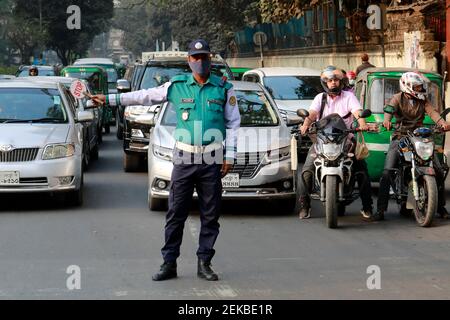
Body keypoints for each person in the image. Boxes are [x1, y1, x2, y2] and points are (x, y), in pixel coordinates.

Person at [90, 39, 240, 281]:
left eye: (204, 57)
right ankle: (169, 263)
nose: (200, 62)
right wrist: (109, 99)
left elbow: (233, 123)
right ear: (188, 61)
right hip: (184, 156)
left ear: (210, 58)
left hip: (212, 157)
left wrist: (230, 155)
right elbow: (144, 96)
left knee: (210, 214)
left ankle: (205, 263)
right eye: (195, 58)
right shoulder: (177, 86)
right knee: (175, 212)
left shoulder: (223, 88)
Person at [298, 66, 374, 220]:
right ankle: (305, 206)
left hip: (345, 140)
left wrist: (363, 123)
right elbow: (312, 113)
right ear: (325, 83)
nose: (333, 83)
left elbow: (357, 112)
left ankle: (367, 206)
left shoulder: (348, 96)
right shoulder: (320, 98)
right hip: (322, 141)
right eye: (330, 81)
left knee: (362, 171)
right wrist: (306, 124)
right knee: (306, 170)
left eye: (336, 80)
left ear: (341, 82)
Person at [372, 71, 450, 221]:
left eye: (421, 87)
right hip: (400, 136)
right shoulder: (397, 98)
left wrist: (442, 123)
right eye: (418, 87)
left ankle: (440, 207)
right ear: (408, 87)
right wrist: (387, 120)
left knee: (438, 171)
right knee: (387, 172)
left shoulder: (423, 100)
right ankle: (380, 210)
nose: (420, 89)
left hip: (419, 136)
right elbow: (389, 110)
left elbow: (432, 112)